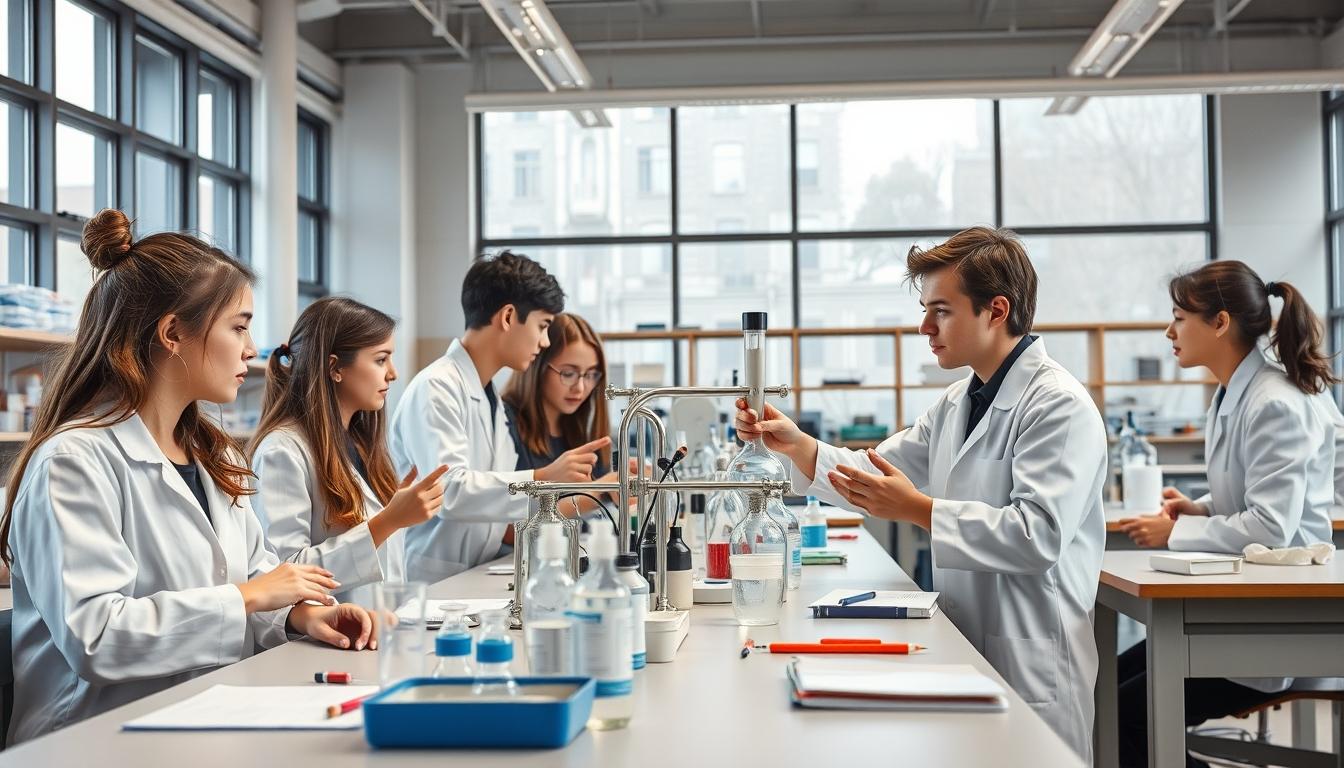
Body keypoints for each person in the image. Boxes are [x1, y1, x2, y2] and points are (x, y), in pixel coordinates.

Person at [1, 210, 374, 744]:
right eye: (238, 327)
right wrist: (250, 597)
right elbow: (97, 637)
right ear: (173, 332)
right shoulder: (73, 462)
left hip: (203, 718)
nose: (251, 349)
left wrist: (297, 617)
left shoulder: (214, 455)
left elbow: (254, 580)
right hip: (91, 739)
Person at [735, 226, 1106, 761]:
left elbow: (1036, 537)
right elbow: (874, 472)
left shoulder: (1058, 405)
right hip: (969, 644)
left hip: (1034, 658)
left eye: (942, 311)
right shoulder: (957, 402)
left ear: (996, 310)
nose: (924, 327)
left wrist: (917, 509)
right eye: (925, 310)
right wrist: (797, 445)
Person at [1115, 261, 1337, 768]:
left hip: (1272, 625)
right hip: (1240, 608)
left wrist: (1176, 531)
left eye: (1179, 318)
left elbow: (1271, 526)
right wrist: (1198, 509)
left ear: (1219, 323)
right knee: (1103, 690)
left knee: (1124, 714)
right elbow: (1251, 500)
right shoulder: (1234, 393)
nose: (1169, 332)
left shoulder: (1273, 401)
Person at [388, 251, 610, 582]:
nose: (544, 341)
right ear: (508, 317)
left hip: (477, 573)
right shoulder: (436, 387)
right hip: (433, 579)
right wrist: (544, 477)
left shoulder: (490, 400)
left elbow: (503, 506)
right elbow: (449, 491)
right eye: (542, 326)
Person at [250, 296, 448, 607]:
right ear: (335, 367)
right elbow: (284, 573)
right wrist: (388, 521)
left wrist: (396, 511)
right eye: (381, 360)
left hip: (379, 623)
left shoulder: (357, 443)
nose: (393, 373)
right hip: (322, 631)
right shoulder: (282, 451)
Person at [502, 313, 618, 517]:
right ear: (536, 365)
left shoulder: (582, 431)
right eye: (568, 373)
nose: (580, 387)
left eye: (591, 375)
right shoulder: (504, 423)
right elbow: (506, 525)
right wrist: (599, 491)